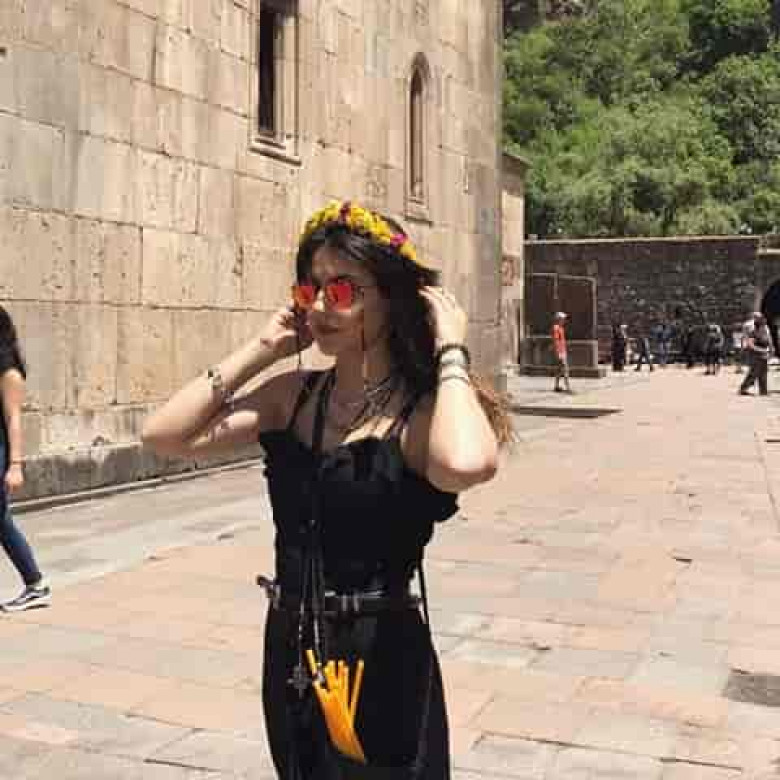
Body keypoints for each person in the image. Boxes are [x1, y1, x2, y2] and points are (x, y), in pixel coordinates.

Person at [142, 201, 510, 779]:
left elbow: (465, 464)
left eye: (342, 290)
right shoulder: (295, 397)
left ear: (391, 298)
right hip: (293, 651)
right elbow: (165, 435)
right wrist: (261, 348)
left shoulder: (419, 414)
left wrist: (450, 351)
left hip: (380, 656)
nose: (319, 306)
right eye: (310, 289)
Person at [0, 307, 50, 613]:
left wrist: (15, 465)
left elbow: (14, 419)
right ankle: (35, 583)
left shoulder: (9, 373)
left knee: (1, 522)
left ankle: (36, 583)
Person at [739, 313, 772, 396]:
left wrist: (770, 349)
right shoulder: (753, 332)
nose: (764, 323)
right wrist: (761, 350)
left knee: (763, 372)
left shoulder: (765, 330)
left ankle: (763, 391)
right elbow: (750, 344)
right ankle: (743, 388)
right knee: (754, 372)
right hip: (755, 353)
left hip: (764, 352)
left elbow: (769, 339)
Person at [552, 311, 572, 393]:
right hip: (560, 352)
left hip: (562, 350)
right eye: (563, 319)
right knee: (565, 369)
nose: (564, 320)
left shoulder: (560, 328)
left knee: (559, 370)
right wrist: (558, 352)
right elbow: (556, 341)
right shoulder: (556, 328)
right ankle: (568, 387)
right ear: (559, 319)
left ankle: (556, 386)